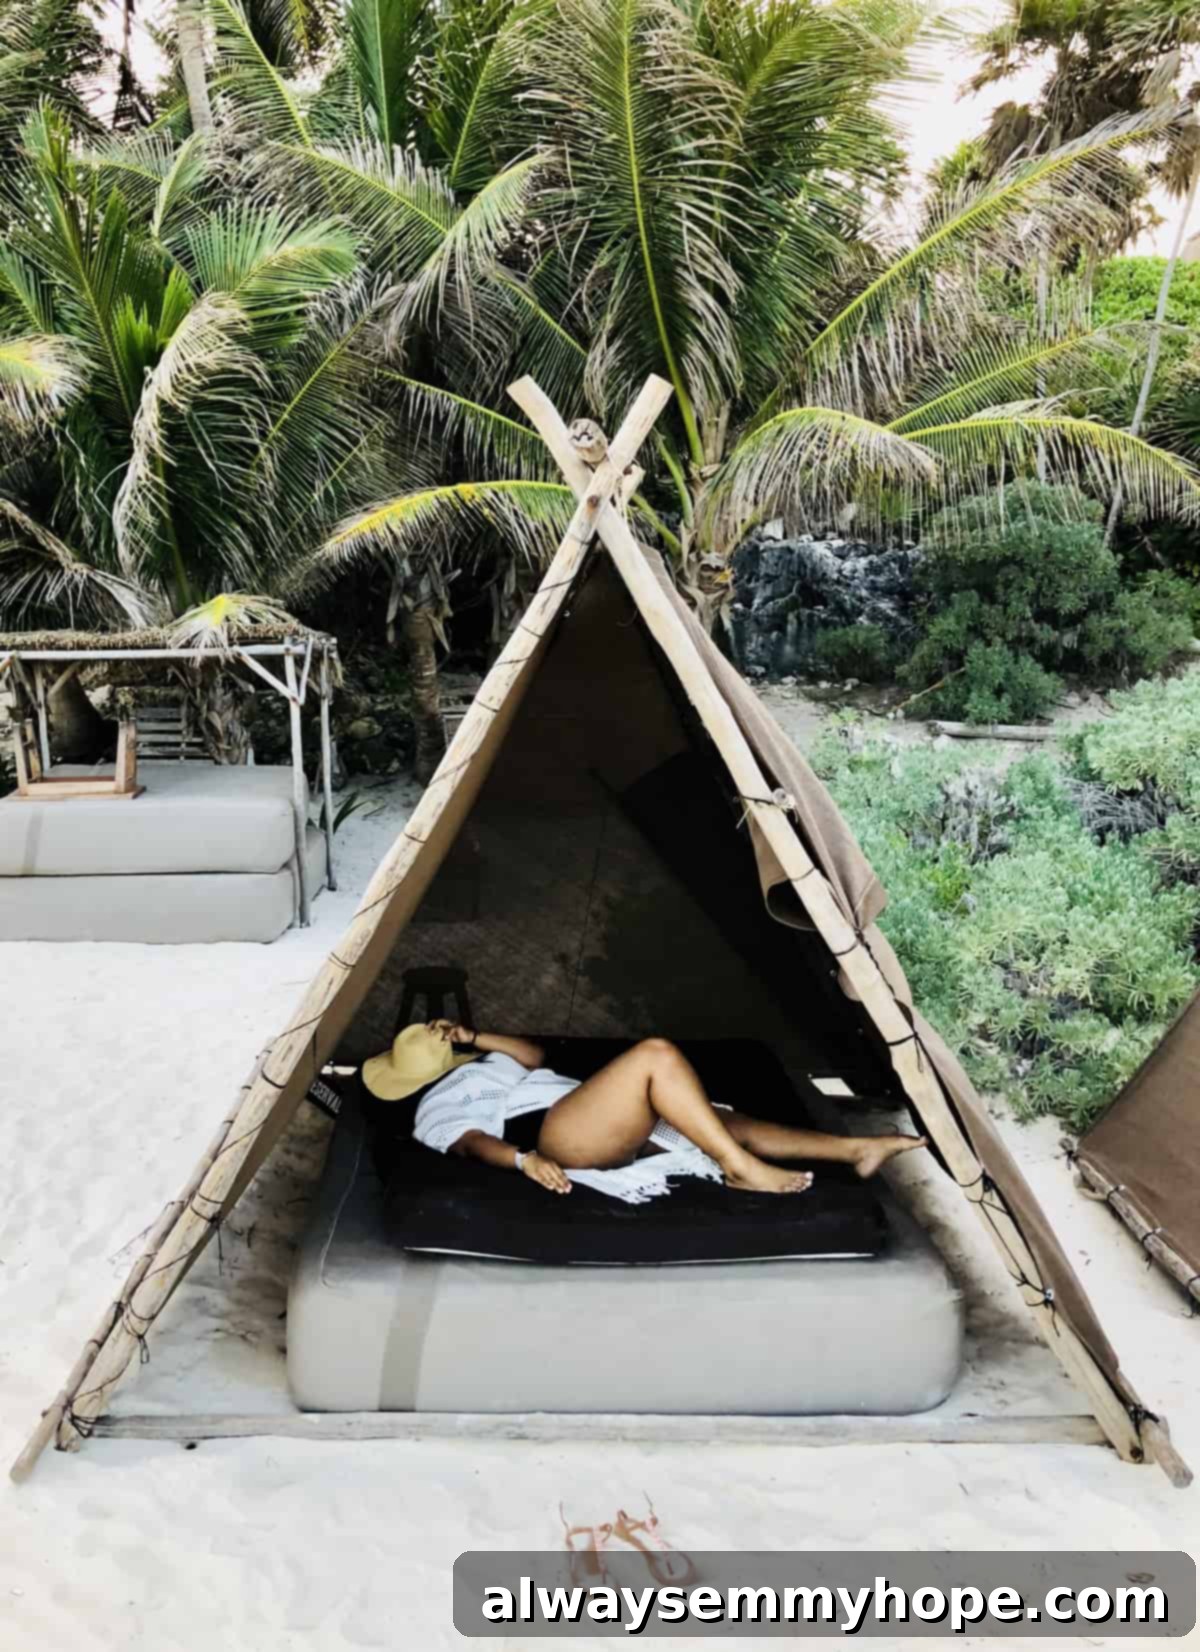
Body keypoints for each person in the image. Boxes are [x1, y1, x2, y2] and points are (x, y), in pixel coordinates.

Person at [361, 1020, 926, 1201]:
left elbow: (535, 1056)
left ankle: (856, 1149)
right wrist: (523, 1161)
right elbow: (468, 1144)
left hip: (584, 1116)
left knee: (714, 1122)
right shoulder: (434, 1106)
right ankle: (740, 1169)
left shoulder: (480, 1065)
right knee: (654, 1057)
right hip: (557, 1136)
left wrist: (475, 1034)